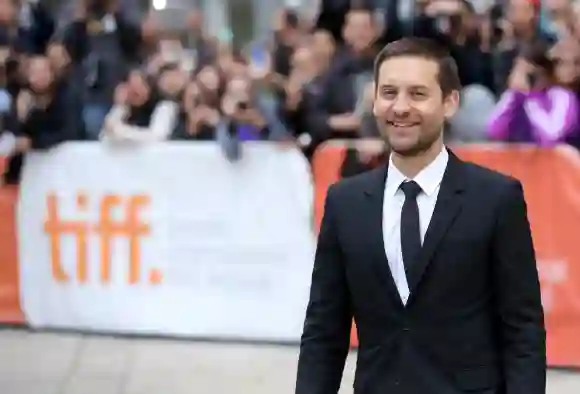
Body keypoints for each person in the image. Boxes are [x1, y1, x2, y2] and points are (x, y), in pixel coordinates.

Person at [295, 37, 546, 394]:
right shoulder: (345, 202)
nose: (400, 107)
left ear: (449, 102)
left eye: (417, 94)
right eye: (389, 92)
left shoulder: (496, 198)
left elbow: (522, 330)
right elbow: (324, 331)